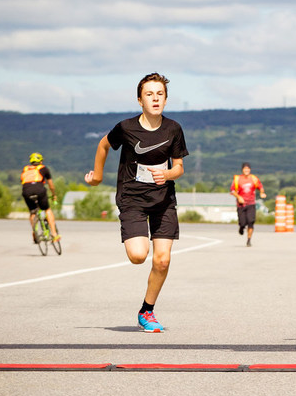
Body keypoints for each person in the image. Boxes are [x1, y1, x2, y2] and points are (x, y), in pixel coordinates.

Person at [84, 73, 188, 332]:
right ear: (139, 100)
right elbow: (103, 145)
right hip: (133, 201)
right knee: (139, 256)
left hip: (163, 201)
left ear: (166, 99)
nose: (155, 98)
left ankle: (147, 311)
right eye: (149, 94)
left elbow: (179, 168)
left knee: (162, 260)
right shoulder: (126, 128)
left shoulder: (173, 129)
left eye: (160, 94)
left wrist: (167, 174)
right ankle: (146, 307)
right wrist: (97, 177)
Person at [20, 151, 60, 244]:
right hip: (39, 190)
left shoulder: (26, 169)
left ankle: (34, 232)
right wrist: (54, 195)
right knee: (47, 209)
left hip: (26, 191)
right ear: (41, 161)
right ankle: (54, 234)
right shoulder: (44, 168)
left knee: (33, 212)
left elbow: (24, 181)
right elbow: (51, 185)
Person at [231, 162, 265, 246]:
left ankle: (249, 240)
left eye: (248, 169)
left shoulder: (254, 179)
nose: (246, 170)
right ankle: (241, 227)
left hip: (251, 203)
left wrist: (262, 193)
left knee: (250, 222)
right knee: (242, 222)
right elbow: (232, 191)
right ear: (242, 170)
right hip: (241, 204)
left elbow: (260, 187)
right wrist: (239, 197)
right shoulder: (237, 179)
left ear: (250, 170)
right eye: (245, 169)